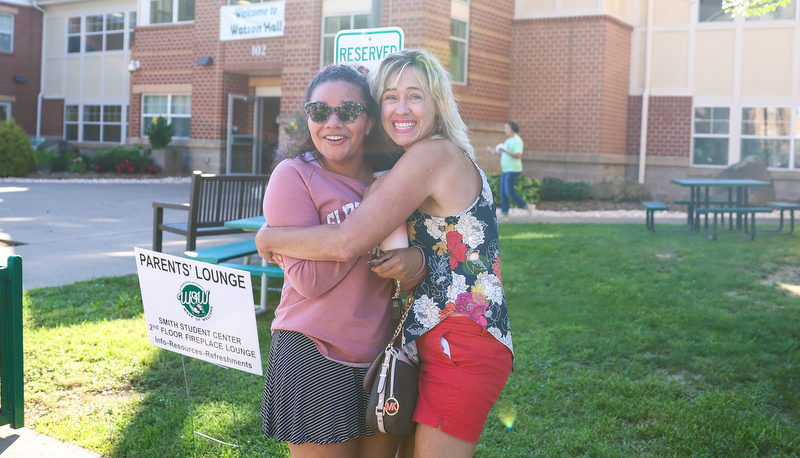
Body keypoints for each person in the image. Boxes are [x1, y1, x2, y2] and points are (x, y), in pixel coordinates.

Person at [256, 49, 513, 458]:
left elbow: (347, 241)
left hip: (460, 338)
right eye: (390, 96)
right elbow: (436, 249)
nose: (401, 107)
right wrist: (415, 260)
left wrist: (270, 239)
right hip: (426, 338)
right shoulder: (410, 162)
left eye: (415, 95)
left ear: (437, 102)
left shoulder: (430, 155)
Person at [259, 64, 426, 458]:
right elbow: (310, 281)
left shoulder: (395, 179)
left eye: (348, 111)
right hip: (312, 354)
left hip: (382, 356)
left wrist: (415, 262)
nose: (332, 123)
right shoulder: (294, 176)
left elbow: (425, 259)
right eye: (319, 112)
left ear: (369, 121)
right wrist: (367, 215)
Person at [488, 120, 531, 217]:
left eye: (506, 128)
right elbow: (504, 153)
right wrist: (494, 152)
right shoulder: (508, 140)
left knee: (509, 191)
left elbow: (518, 155)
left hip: (513, 170)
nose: (505, 130)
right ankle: (505, 213)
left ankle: (526, 206)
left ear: (512, 129)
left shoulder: (517, 140)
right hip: (506, 170)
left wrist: (504, 150)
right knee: (503, 192)